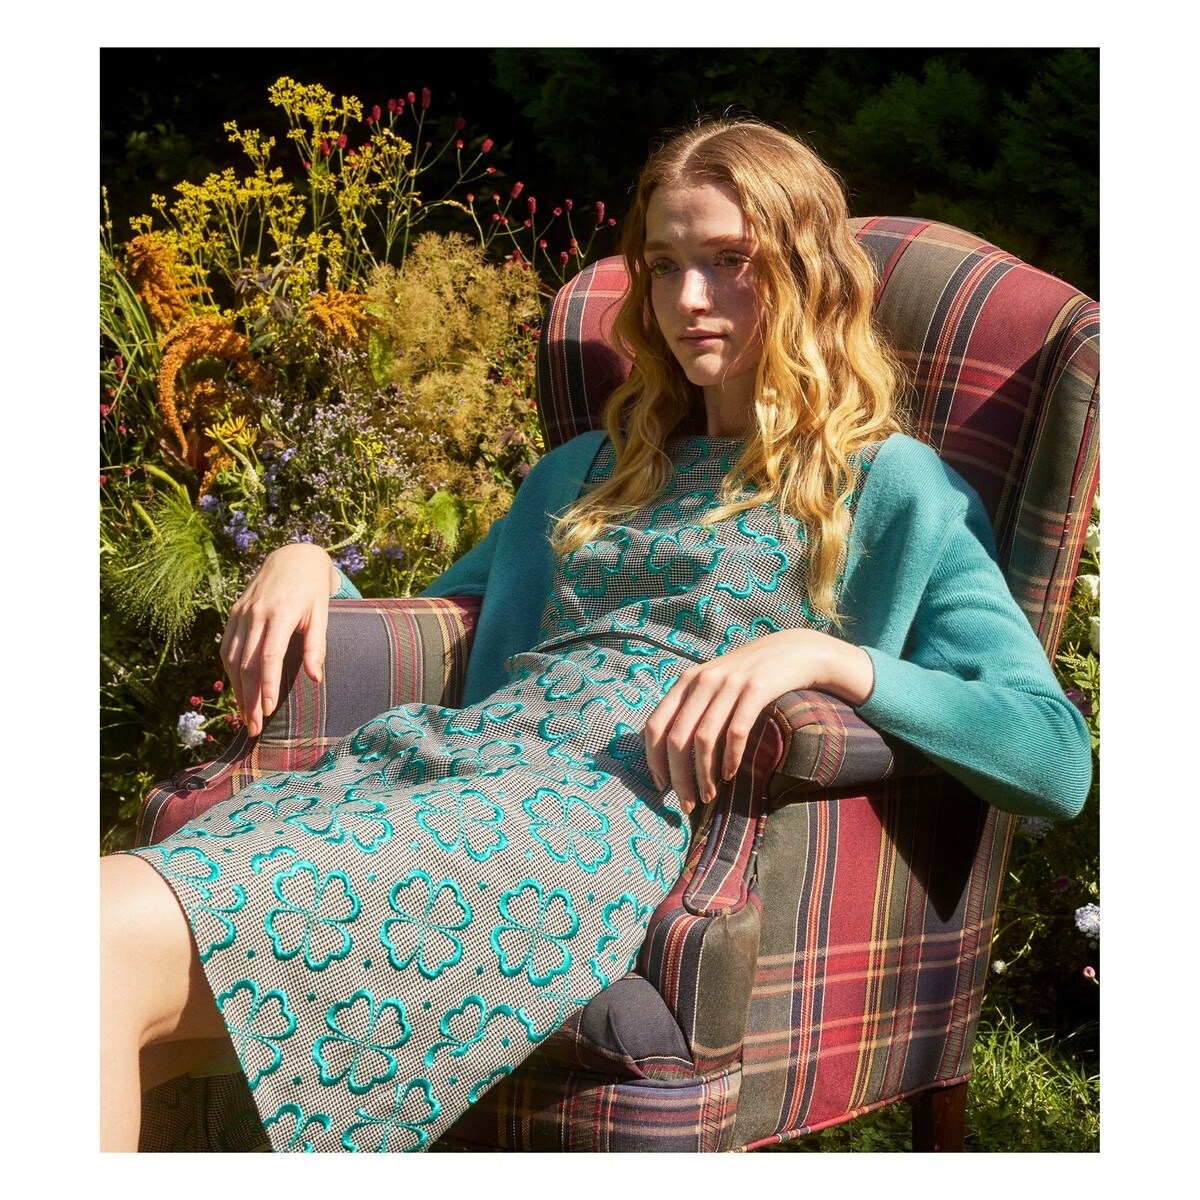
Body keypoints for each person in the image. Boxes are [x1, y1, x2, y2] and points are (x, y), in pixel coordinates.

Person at [100, 117, 1092, 1153]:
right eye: (664, 266)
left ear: (808, 272)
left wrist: (830, 658)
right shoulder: (584, 470)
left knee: (96, 941)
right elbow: (436, 621)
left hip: (593, 822)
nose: (689, 298)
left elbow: (1053, 755)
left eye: (731, 261)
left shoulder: (888, 484)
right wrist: (310, 562)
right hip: (438, 769)